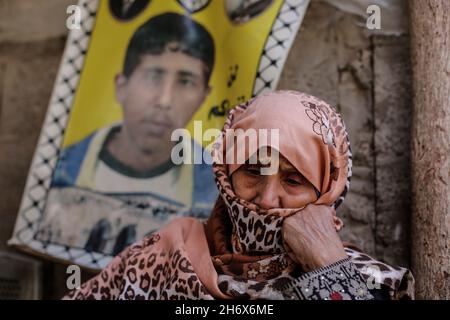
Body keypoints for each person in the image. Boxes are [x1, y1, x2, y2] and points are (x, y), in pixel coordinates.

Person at [63, 91, 414, 300]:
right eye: (252, 171)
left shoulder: (372, 284)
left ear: (327, 189)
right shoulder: (166, 256)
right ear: (226, 172)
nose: (266, 198)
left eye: (293, 180)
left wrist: (328, 266)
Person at [51, 12, 217, 212]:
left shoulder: (218, 191)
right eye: (153, 77)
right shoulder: (58, 170)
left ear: (203, 98)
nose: (164, 101)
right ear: (121, 87)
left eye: (186, 82)